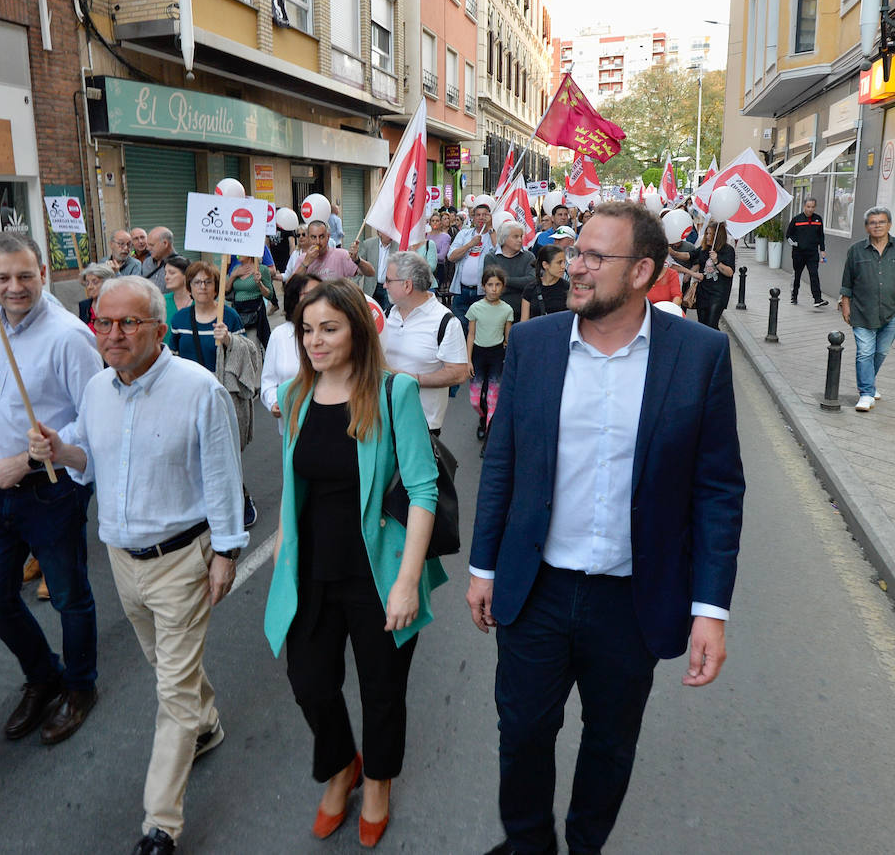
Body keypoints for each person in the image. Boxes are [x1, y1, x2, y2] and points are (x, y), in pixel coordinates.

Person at [466, 200, 743, 855]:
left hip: (632, 599)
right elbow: (503, 458)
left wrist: (710, 610)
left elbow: (718, 490)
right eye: (577, 252)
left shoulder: (699, 355)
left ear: (643, 270)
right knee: (523, 734)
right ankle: (528, 844)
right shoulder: (533, 344)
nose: (577, 267)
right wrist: (483, 566)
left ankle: (585, 844)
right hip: (536, 590)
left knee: (611, 741)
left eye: (595, 256)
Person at [28, 276, 247, 855]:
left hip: (182, 560)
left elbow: (224, 478)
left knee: (171, 689)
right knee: (166, 667)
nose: (114, 334)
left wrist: (226, 552)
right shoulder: (98, 390)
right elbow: (86, 456)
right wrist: (58, 448)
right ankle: (208, 725)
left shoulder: (199, 389)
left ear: (157, 327)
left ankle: (161, 824)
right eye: (104, 322)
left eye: (129, 323)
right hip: (122, 561)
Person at [265, 278, 445, 850]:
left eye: (329, 329)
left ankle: (376, 781)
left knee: (382, 690)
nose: (315, 341)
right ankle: (341, 763)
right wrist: (281, 553)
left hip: (379, 573)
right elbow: (293, 485)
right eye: (307, 330)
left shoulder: (394, 394)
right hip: (311, 570)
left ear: (358, 332)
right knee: (310, 683)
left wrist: (408, 584)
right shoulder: (295, 396)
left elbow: (423, 489)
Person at [0, 231, 102, 744]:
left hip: (51, 488)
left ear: (41, 272)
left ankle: (80, 687)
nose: (15, 287)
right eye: (2, 277)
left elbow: (94, 422)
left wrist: (23, 461)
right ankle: (43, 675)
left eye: (25, 276)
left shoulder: (69, 336)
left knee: (68, 597)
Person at [380, 251, 469, 436]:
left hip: (421, 425)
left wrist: (412, 379)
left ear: (407, 285)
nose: (384, 285)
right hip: (383, 419)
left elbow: (459, 373)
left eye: (389, 280)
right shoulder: (387, 314)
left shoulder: (445, 321)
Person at [840, 207, 895, 413]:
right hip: (862, 309)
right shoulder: (856, 250)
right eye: (873, 222)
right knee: (865, 352)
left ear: (889, 224)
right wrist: (845, 304)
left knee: (881, 351)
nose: (877, 226)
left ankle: (869, 383)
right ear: (866, 227)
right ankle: (866, 394)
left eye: (881, 222)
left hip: (893, 310)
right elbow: (847, 280)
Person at [260, 273, 319, 428]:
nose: (317, 300)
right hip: (291, 426)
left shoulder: (335, 335)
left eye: (320, 294)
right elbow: (268, 382)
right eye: (308, 294)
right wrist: (274, 402)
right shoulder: (279, 335)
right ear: (294, 298)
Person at [466, 267, 513, 441]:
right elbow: (471, 334)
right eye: (490, 284)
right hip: (478, 355)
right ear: (483, 286)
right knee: (475, 400)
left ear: (503, 286)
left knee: (493, 398)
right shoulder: (475, 308)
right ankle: (483, 416)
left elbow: (507, 338)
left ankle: (489, 433)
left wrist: (508, 359)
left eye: (497, 285)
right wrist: (468, 360)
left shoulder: (507, 310)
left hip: (497, 356)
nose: (494, 289)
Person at [169, 262, 242, 373]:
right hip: (190, 385)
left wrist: (228, 340)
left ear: (216, 288)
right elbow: (173, 357)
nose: (202, 287)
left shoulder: (230, 317)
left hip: (221, 385)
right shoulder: (179, 319)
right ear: (189, 288)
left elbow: (245, 354)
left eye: (208, 282)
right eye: (197, 282)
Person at [447, 203, 495, 329]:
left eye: (485, 215)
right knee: (460, 327)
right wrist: (470, 244)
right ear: (473, 218)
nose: (481, 218)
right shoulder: (464, 234)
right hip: (461, 291)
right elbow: (451, 256)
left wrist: (491, 230)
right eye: (478, 215)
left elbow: (499, 256)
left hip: (482, 292)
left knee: (480, 328)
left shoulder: (493, 235)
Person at [482, 221, 536, 322]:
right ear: (504, 238)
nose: (520, 240)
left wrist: (503, 280)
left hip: (523, 313)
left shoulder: (529, 257)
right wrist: (518, 284)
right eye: (515, 236)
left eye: (521, 236)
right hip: (496, 313)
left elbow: (531, 282)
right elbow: (491, 285)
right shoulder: (491, 257)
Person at [289, 220, 371, 281]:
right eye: (313, 237)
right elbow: (291, 286)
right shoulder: (302, 259)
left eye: (321, 237)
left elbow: (370, 272)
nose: (317, 242)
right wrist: (305, 263)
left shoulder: (341, 255)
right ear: (308, 239)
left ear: (328, 237)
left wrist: (357, 260)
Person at [693, 222, 737, 329]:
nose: (707, 236)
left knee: (711, 324)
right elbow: (690, 255)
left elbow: (730, 272)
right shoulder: (704, 248)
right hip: (703, 292)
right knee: (702, 324)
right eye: (706, 233)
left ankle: (717, 344)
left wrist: (716, 261)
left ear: (718, 236)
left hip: (718, 294)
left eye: (710, 234)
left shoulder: (728, 250)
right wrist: (673, 252)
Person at [788, 197, 829, 307]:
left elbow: (821, 236)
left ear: (815, 207)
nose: (810, 209)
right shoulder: (796, 220)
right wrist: (797, 244)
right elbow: (788, 235)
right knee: (797, 275)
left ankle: (817, 299)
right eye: (808, 207)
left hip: (812, 254)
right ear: (804, 206)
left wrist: (823, 250)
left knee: (814, 275)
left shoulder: (818, 219)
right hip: (798, 254)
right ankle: (794, 296)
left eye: (812, 207)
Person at [228, 254, 275, 347]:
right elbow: (226, 290)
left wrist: (259, 284)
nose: (238, 255)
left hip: (254, 315)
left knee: (252, 345)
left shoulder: (262, 269)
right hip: (238, 313)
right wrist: (233, 275)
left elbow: (270, 295)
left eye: (241, 252)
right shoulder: (236, 268)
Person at [141, 227, 178, 291]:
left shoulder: (181, 266)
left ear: (165, 243)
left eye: (152, 245)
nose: (148, 248)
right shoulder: (147, 262)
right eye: (148, 245)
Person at [161, 255, 192, 324]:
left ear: (186, 275)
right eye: (165, 273)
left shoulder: (200, 301)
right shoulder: (161, 301)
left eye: (172, 273)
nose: (166, 277)